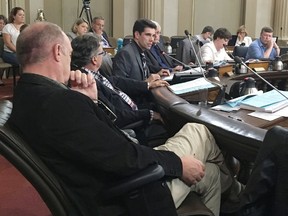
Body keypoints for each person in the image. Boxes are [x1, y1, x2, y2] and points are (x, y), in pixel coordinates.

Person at [9, 21, 229, 215]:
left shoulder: (24, 96)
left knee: (210, 174)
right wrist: (178, 164)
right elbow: (123, 155)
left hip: (107, 185)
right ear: (58, 52)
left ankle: (237, 192)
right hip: (129, 195)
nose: (70, 62)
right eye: (68, 54)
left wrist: (90, 102)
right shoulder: (61, 103)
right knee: (199, 131)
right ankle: (242, 192)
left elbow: (95, 144)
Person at [71, 34, 169, 144]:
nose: (104, 55)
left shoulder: (93, 72)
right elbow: (115, 115)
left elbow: (116, 81)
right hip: (129, 123)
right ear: (94, 59)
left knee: (159, 107)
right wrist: (149, 114)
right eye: (102, 53)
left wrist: (147, 85)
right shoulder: (87, 82)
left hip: (131, 109)